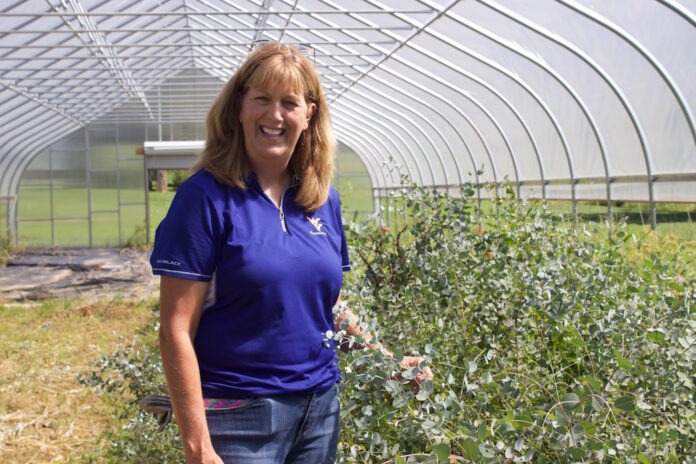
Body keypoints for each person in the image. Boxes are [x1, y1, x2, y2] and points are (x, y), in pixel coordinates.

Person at [150, 42, 432, 464]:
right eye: (262, 99)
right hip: (240, 417)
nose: (274, 115)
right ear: (240, 107)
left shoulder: (322, 200)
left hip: (319, 413)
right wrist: (198, 446)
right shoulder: (205, 199)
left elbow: (327, 306)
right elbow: (175, 328)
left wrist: (388, 362)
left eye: (289, 103)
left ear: (309, 115)